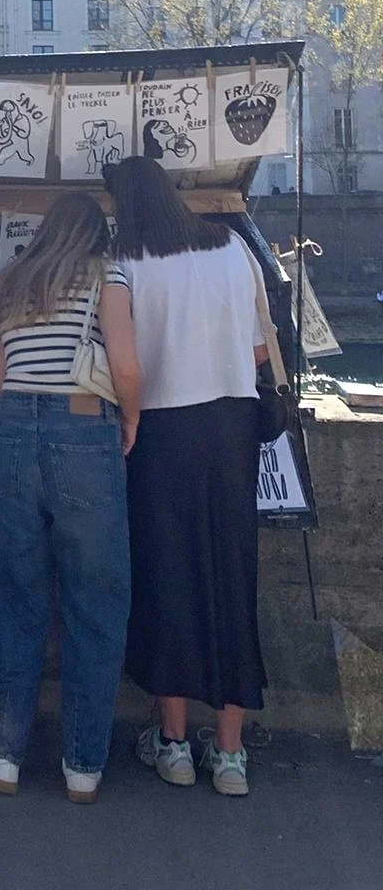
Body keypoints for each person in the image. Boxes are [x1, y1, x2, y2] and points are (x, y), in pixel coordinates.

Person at [0, 195, 142, 805]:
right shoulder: (106, 276)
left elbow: (0, 378)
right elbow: (124, 366)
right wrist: (131, 419)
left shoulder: (10, 281)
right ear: (97, 234)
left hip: (15, 431)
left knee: (17, 597)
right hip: (84, 428)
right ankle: (83, 766)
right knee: (95, 602)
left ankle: (2, 754)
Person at [104, 156, 269, 798]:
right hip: (232, 426)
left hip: (161, 429)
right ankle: (229, 754)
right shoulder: (231, 247)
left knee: (167, 575)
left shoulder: (126, 262)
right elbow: (260, 348)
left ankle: (173, 743)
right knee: (233, 576)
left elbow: (122, 361)